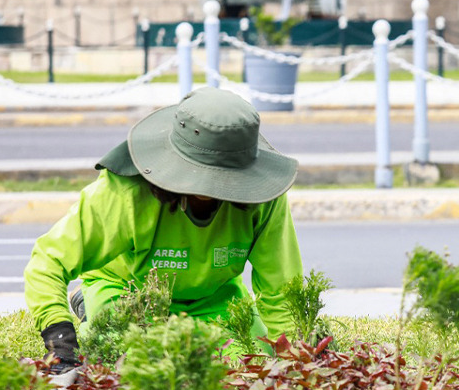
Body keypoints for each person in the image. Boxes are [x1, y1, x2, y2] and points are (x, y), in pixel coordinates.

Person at [24, 87, 304, 372]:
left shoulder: (264, 198)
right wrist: (59, 337)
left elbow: (280, 285)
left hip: (214, 299)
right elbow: (48, 261)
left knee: (245, 364)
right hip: (127, 292)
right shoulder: (126, 191)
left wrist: (293, 355)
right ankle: (90, 303)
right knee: (134, 364)